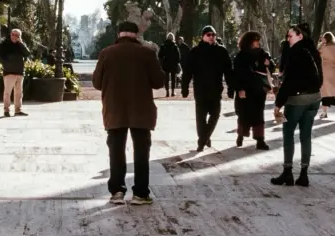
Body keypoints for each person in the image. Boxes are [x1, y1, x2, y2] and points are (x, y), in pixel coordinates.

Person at [92, 19, 167, 203]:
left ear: (118, 34)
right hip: (141, 110)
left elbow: (96, 83)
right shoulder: (147, 53)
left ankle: (117, 191)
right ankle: (140, 193)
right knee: (141, 152)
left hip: (114, 109)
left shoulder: (106, 53)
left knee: (116, 150)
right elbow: (158, 81)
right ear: (136, 35)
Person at [271, 24, 324, 187]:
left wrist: (278, 103)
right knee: (306, 135)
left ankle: (287, 172)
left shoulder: (295, 53)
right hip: (314, 98)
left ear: (300, 36)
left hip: (297, 99)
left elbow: (289, 81)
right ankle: (304, 174)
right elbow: (320, 77)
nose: (288, 39)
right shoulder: (314, 52)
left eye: (290, 36)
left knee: (288, 132)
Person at [184, 25, 233, 150]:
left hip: (216, 89)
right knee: (201, 117)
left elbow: (228, 71)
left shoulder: (221, 51)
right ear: (203, 36)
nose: (211, 37)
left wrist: (231, 87)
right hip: (200, 90)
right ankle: (203, 141)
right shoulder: (195, 52)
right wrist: (185, 87)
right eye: (208, 35)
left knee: (215, 115)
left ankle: (204, 137)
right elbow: (188, 71)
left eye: (213, 35)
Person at [231, 31, 273, 150]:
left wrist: (268, 63)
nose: (258, 42)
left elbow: (271, 65)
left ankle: (260, 140)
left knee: (259, 115)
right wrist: (240, 89)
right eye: (255, 40)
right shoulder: (241, 56)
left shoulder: (262, 53)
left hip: (259, 90)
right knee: (244, 114)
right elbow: (237, 74)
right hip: (246, 89)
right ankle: (241, 135)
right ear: (249, 41)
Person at [0, 28, 29, 115]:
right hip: (9, 72)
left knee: (18, 93)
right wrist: (6, 64)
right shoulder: (5, 44)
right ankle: (6, 110)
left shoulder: (21, 45)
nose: (14, 36)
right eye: (12, 34)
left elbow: (27, 53)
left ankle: (18, 110)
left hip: (20, 72)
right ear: (10, 34)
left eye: (16, 35)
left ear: (19, 37)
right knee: (7, 92)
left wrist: (21, 43)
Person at [158, 33, 183, 98]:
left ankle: (167, 92)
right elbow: (178, 56)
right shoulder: (175, 46)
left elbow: (159, 55)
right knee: (173, 79)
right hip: (173, 64)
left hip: (165, 64)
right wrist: (177, 62)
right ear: (173, 38)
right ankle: (172, 92)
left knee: (166, 79)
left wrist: (162, 62)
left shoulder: (163, 46)